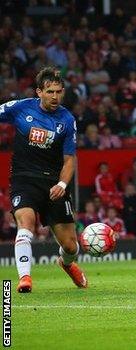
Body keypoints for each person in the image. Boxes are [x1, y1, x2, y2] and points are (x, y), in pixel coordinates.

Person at [1, 67, 87, 292]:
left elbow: (70, 160)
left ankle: (66, 264)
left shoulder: (67, 120)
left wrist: (61, 184)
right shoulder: (20, 108)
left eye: (59, 92)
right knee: (26, 225)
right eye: (50, 92)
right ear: (39, 92)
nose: (55, 97)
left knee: (70, 246)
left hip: (53, 183)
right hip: (24, 179)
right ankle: (25, 278)